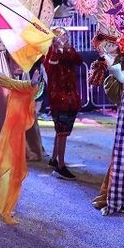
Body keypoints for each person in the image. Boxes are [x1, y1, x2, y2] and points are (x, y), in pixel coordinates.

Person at [0, 59, 42, 225]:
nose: (17, 66)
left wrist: (29, 84)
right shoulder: (23, 83)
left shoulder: (22, 82)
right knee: (1, 166)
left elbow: (10, 83)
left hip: (7, 132)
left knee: (8, 165)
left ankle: (3, 203)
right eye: (14, 64)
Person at [43, 27, 82, 179]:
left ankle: (54, 159)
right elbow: (50, 66)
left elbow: (79, 60)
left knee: (61, 132)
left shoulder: (69, 53)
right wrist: (56, 49)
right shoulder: (50, 54)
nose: (64, 39)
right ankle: (61, 165)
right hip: (59, 99)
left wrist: (67, 49)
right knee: (62, 132)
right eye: (60, 37)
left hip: (71, 98)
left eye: (65, 36)